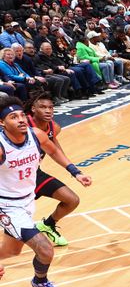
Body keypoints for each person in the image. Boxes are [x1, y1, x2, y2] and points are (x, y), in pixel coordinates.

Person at [0, 96, 92, 287]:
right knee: (45, 249)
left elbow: (54, 151)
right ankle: (40, 281)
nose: (21, 120)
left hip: (27, 201)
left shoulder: (37, 135)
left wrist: (75, 173)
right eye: (13, 117)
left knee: (12, 251)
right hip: (7, 206)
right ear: (2, 123)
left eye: (22, 115)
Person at [24, 92, 84, 246]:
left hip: (34, 175)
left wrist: (75, 172)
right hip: (12, 179)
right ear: (33, 109)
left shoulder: (53, 127)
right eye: (43, 107)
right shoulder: (23, 125)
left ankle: (48, 225)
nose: (48, 110)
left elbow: (55, 150)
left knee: (72, 200)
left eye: (51, 107)